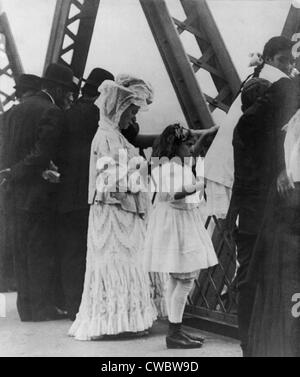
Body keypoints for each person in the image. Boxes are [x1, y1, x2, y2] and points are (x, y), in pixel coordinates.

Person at [69, 80, 157, 340]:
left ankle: (122, 319)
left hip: (118, 211)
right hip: (114, 213)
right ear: (119, 109)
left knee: (122, 261)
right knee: (116, 261)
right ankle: (118, 321)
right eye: (131, 111)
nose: (133, 116)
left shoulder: (112, 135)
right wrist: (144, 166)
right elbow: (112, 181)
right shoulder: (107, 137)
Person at [0, 63, 76, 321]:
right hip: (38, 194)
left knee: (21, 251)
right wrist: (19, 171)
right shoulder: (51, 111)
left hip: (12, 195)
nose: (69, 97)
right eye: (67, 91)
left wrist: (9, 173)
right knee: (41, 250)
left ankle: (27, 308)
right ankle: (42, 308)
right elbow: (43, 153)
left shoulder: (9, 114)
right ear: (56, 88)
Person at [231, 75, 298, 356]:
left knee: (249, 278)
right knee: (260, 280)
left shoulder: (245, 129)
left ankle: (251, 342)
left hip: (249, 217)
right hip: (266, 217)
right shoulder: (264, 130)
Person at [143, 124, 218, 349]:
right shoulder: (171, 167)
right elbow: (174, 195)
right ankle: (175, 331)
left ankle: (176, 330)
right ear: (175, 146)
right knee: (184, 279)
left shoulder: (164, 165)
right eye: (187, 145)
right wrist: (197, 185)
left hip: (173, 221)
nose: (191, 149)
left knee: (177, 279)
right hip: (177, 222)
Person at [204, 36, 295, 219]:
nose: (288, 66)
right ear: (268, 59)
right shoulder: (275, 80)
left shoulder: (257, 77)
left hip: (224, 167)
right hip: (237, 170)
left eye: (291, 61)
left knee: (234, 227)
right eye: (283, 60)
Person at [56, 68, 114, 320]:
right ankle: (92, 304)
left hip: (67, 194)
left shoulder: (66, 115)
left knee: (71, 251)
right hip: (93, 194)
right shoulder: (100, 117)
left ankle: (73, 306)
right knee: (95, 250)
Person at [0, 74, 41, 292]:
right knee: (35, 249)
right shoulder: (42, 111)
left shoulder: (6, 117)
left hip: (9, 189)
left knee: (15, 244)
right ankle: (38, 301)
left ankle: (14, 290)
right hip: (34, 190)